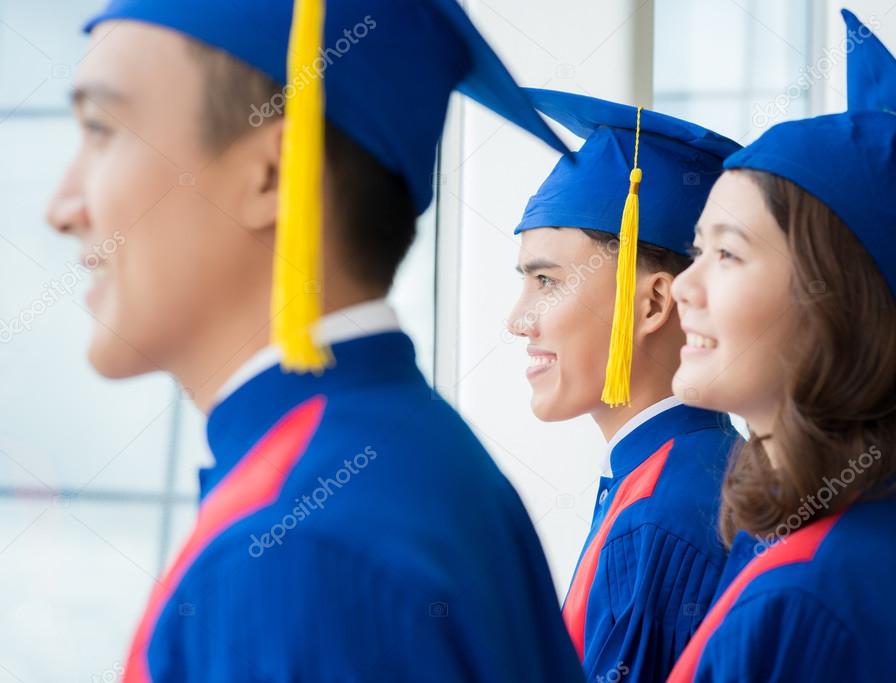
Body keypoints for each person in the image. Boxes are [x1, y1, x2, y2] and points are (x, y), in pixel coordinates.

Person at [47, 1, 584, 680]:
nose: (61, 207)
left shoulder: (294, 552)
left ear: (272, 173)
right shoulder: (413, 458)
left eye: (101, 129)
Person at [664, 10, 896, 682]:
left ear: (832, 303)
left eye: (727, 254)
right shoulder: (851, 527)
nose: (682, 285)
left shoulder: (808, 596)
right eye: (694, 249)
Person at [506, 89, 743, 682]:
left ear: (654, 302)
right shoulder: (707, 467)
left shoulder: (657, 517)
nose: (517, 320)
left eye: (545, 281)